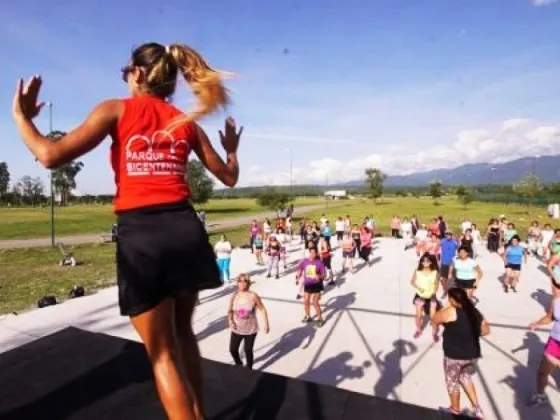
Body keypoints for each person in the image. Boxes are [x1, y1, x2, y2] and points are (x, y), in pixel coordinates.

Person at [12, 43, 242, 420]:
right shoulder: (186, 123)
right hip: (185, 230)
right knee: (183, 334)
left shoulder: (115, 109)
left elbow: (50, 156)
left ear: (137, 73)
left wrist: (21, 116)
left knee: (162, 354)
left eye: (125, 73)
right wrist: (231, 150)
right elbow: (229, 177)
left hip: (144, 235)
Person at [431, 287, 490, 418]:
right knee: (465, 377)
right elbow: (486, 330)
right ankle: (476, 408)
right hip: (472, 354)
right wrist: (469, 333)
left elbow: (434, 319)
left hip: (454, 355)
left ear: (452, 300)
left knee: (452, 382)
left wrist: (446, 307)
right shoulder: (474, 311)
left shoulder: (450, 311)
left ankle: (455, 409)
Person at [526, 282, 560, 408]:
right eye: (553, 286)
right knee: (542, 372)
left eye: (556, 286)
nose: (553, 288)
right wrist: (537, 323)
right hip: (555, 342)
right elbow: (550, 317)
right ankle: (540, 396)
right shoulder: (556, 301)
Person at [228, 274, 269, 370]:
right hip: (237, 328)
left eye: (244, 281)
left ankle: (249, 369)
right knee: (233, 349)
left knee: (248, 350)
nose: (242, 283)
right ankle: (239, 363)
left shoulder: (253, 296)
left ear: (248, 283)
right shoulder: (234, 296)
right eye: (240, 281)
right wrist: (230, 321)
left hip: (250, 329)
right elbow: (230, 310)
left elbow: (262, 309)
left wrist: (266, 324)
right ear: (237, 283)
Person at [411, 254, 440, 341]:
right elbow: (412, 281)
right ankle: (418, 330)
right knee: (419, 316)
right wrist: (419, 288)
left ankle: (434, 333)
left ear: (431, 262)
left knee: (433, 317)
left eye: (427, 261)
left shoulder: (435, 272)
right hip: (420, 296)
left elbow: (436, 284)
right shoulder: (417, 270)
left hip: (431, 296)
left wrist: (434, 292)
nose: (425, 263)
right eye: (423, 261)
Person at [296, 248, 326, 326]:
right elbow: (300, 268)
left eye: (314, 252)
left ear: (316, 254)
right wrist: (298, 275)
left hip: (316, 284)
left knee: (315, 302)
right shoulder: (305, 261)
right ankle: (307, 316)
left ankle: (320, 319)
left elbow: (324, 275)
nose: (312, 254)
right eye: (311, 252)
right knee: (306, 301)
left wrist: (319, 276)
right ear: (309, 253)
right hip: (308, 284)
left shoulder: (320, 263)